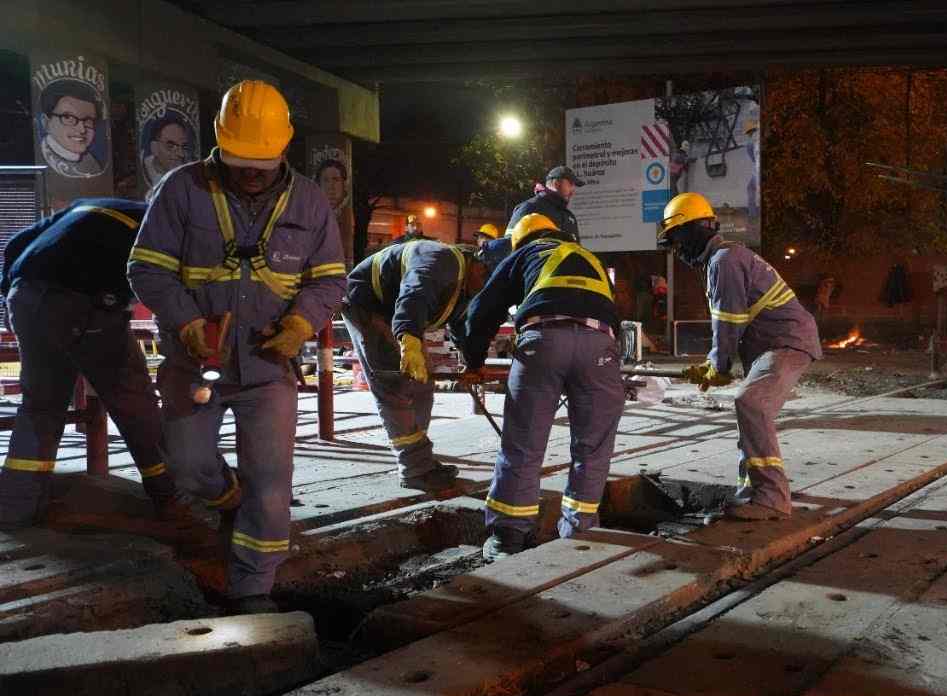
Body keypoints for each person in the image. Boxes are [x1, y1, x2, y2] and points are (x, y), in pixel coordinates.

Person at [128, 79, 346, 614]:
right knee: (187, 467)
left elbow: (330, 280)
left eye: (261, 160)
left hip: (269, 367)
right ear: (220, 143)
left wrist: (300, 324)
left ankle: (253, 588)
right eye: (239, 158)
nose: (250, 171)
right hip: (195, 362)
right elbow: (146, 269)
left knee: (271, 484)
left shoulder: (312, 202)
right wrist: (185, 324)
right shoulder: (181, 189)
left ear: (283, 147)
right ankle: (228, 498)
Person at [0, 199, 189, 529]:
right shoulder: (167, 228)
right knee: (134, 401)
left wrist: (11, 295)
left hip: (25, 295)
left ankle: (16, 508)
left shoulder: (89, 206)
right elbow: (160, 284)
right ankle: (170, 497)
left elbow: (16, 244)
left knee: (41, 406)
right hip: (86, 302)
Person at [461, 213, 623, 561]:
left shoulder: (526, 253)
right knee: (592, 449)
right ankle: (580, 535)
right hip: (601, 347)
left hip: (544, 341)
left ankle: (508, 540)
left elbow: (481, 311)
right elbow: (611, 313)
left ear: (520, 240)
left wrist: (473, 361)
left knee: (523, 444)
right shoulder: (589, 257)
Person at [657, 192, 821, 521]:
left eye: (676, 239)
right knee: (750, 413)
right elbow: (731, 324)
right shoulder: (725, 259)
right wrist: (710, 365)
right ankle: (751, 491)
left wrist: (717, 367)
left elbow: (727, 321)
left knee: (751, 403)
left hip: (785, 342)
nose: (677, 250)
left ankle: (772, 497)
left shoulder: (723, 261)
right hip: (771, 344)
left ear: (693, 229)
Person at [343, 240, 495, 492]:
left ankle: (419, 459)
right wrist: (410, 341)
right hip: (368, 303)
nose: (488, 285)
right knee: (395, 387)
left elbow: (463, 327)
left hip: (401, 315)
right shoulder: (440, 260)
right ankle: (414, 469)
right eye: (488, 276)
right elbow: (414, 295)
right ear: (476, 263)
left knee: (422, 385)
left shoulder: (469, 286)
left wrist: (472, 364)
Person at [39, 80, 103, 178]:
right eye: (69, 118)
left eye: (88, 120)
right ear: (46, 122)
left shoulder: (92, 163)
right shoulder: (40, 158)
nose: (82, 129)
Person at [507, 166, 584, 240]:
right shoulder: (529, 207)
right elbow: (508, 245)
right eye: (570, 184)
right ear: (556, 183)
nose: (573, 191)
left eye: (574, 186)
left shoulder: (570, 217)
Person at [143, 118, 194, 187]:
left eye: (183, 147)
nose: (181, 154)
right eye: (170, 146)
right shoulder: (141, 171)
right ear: (154, 148)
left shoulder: (190, 169)